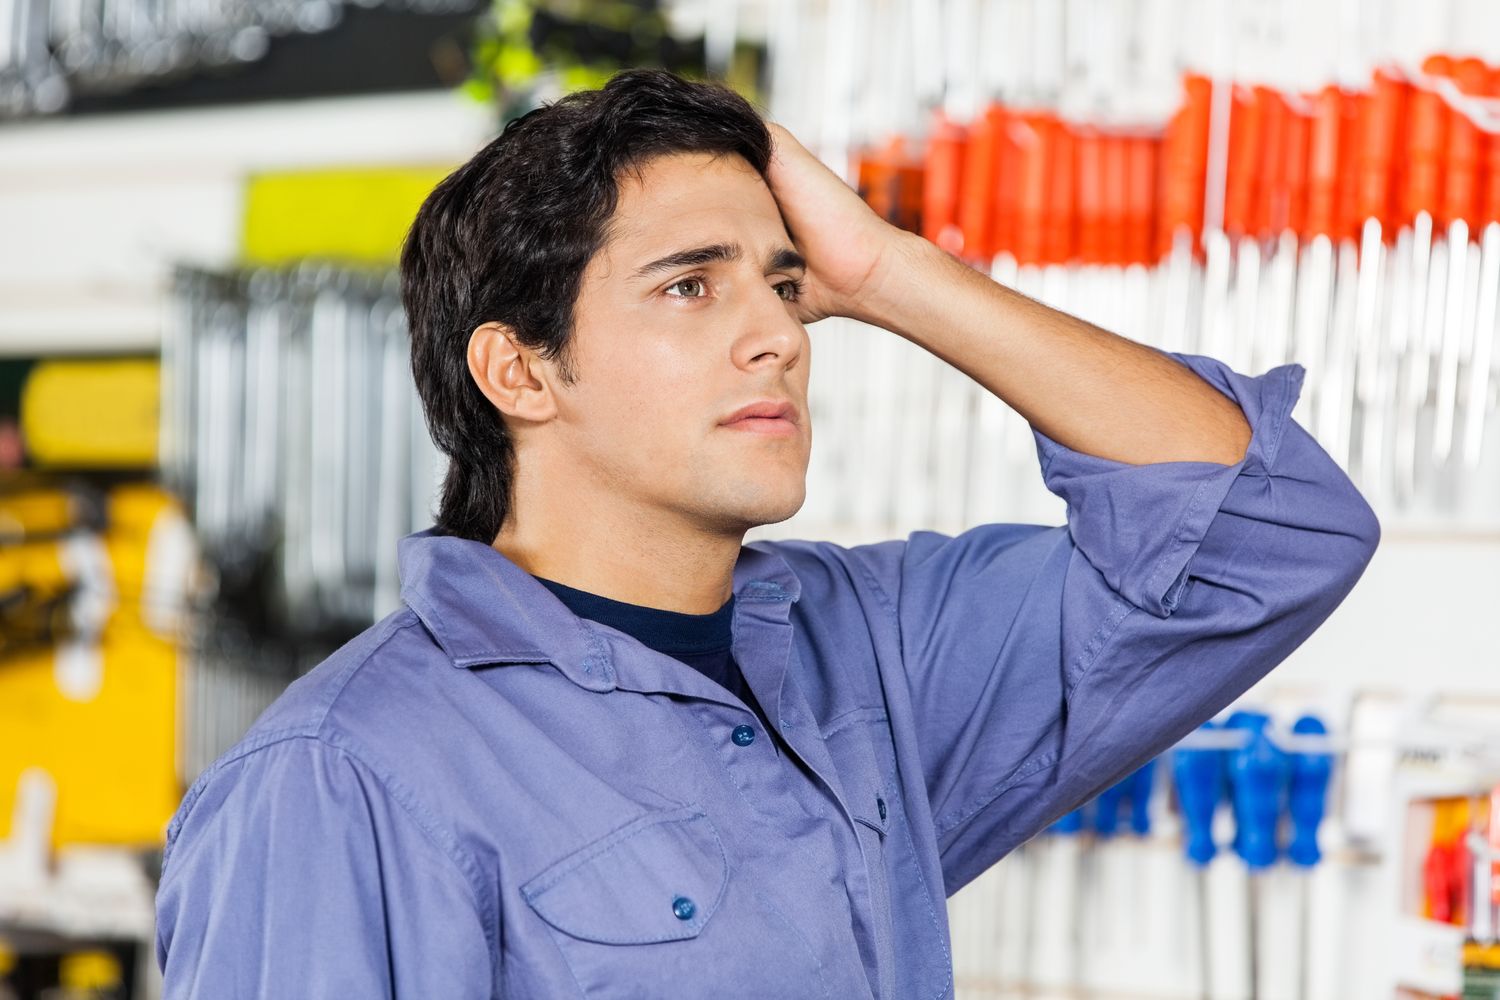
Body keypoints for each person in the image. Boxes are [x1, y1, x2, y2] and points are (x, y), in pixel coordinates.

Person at [154, 69, 1380, 998]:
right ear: (519, 370)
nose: (781, 336)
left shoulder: (880, 654)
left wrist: (892, 273)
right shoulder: (339, 777)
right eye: (692, 284)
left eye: (785, 287)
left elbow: (1266, 534)